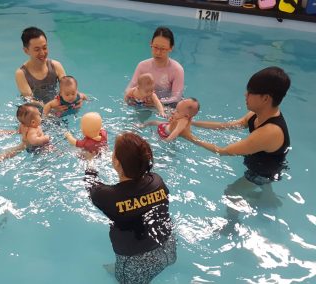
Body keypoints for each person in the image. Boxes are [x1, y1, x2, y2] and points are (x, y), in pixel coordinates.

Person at [182, 67, 290, 232]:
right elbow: (229, 126)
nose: (245, 95)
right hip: (269, 162)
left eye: (250, 92)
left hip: (261, 172)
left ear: (265, 98)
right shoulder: (258, 114)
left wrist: (189, 137)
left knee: (231, 192)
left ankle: (232, 225)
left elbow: (223, 151)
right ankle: (268, 199)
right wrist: (193, 122)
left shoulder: (269, 132)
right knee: (265, 183)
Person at [85, 132, 176, 284]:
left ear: (117, 163)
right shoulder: (157, 181)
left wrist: (90, 162)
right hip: (168, 250)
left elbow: (90, 183)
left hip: (134, 266)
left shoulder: (107, 196)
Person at [125, 26, 184, 107]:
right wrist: (133, 99)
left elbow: (176, 97)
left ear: (171, 48)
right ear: (151, 44)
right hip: (143, 102)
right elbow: (130, 88)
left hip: (166, 105)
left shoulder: (177, 70)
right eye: (155, 47)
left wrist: (156, 102)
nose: (158, 52)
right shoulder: (142, 66)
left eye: (163, 49)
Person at [15, 26, 68, 106]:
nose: (42, 53)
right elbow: (30, 100)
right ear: (26, 51)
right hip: (37, 112)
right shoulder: (21, 74)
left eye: (44, 48)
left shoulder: (56, 66)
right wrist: (50, 108)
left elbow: (67, 89)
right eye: (37, 50)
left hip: (56, 106)